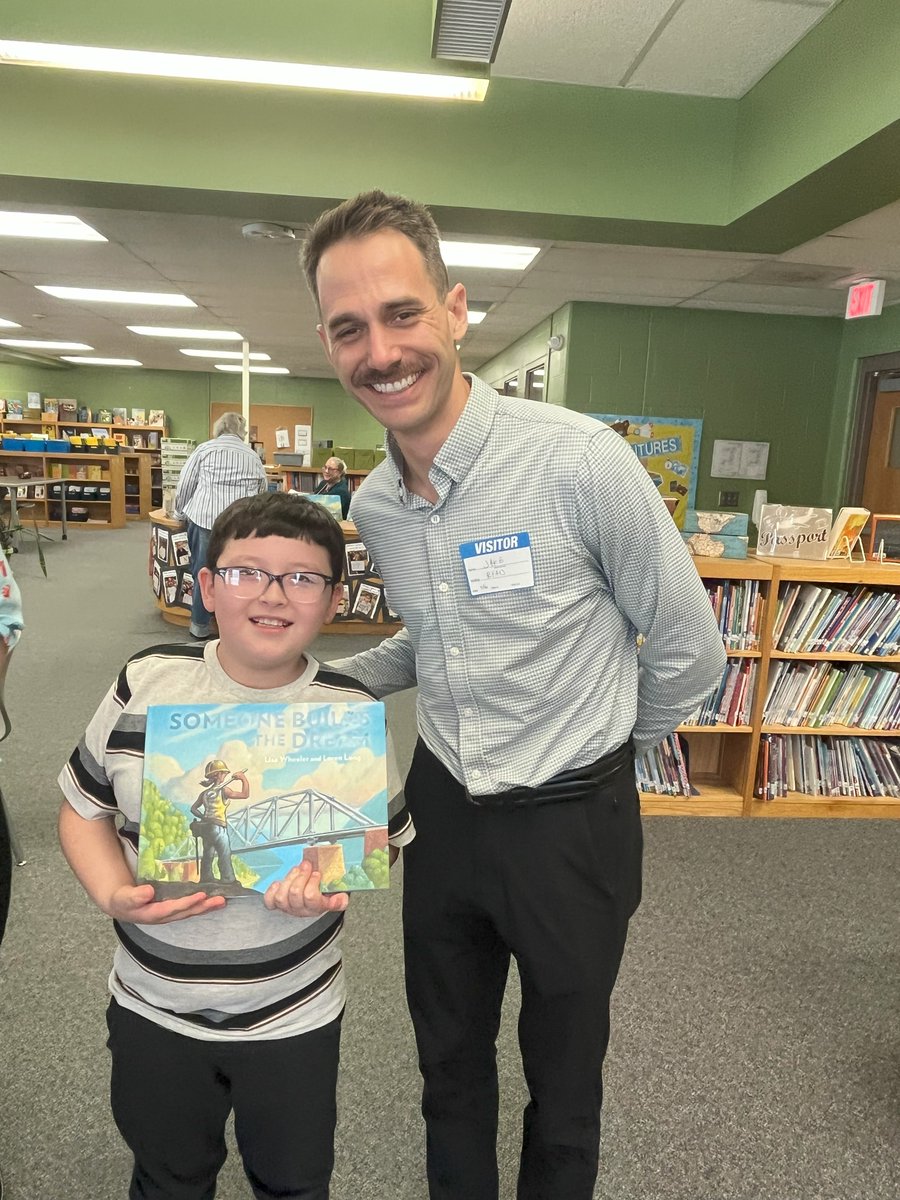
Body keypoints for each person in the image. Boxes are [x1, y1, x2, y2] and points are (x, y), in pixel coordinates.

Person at [301, 190, 727, 1200]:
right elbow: (437, 634)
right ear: (329, 343)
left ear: (453, 310)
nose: (382, 350)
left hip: (572, 827)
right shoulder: (373, 502)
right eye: (349, 328)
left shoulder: (581, 463)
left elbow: (689, 651)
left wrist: (607, 754)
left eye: (402, 314)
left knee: (563, 1085)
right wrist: (307, 686)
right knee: (446, 1070)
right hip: (442, 815)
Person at [57, 491, 413, 1200]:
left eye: (303, 578)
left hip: (295, 1009)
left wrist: (324, 874)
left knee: (294, 1182)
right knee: (167, 1178)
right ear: (207, 586)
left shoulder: (350, 711)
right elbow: (82, 808)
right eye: (247, 572)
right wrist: (110, 892)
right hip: (152, 1002)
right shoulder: (147, 682)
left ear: (334, 598)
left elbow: (383, 843)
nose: (274, 595)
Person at [174, 411, 268, 639]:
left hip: (204, 519)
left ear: (218, 429)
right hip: (238, 525)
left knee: (203, 573)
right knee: (235, 574)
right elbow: (262, 491)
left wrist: (178, 513)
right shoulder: (252, 456)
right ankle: (234, 627)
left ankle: (199, 626)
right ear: (241, 432)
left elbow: (185, 484)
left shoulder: (205, 449)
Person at [189, 758, 249, 887]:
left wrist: (203, 818)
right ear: (218, 775)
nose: (225, 776)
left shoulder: (204, 793)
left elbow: (193, 809)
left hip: (206, 827)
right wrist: (243, 778)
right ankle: (228, 879)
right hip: (218, 826)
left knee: (208, 853)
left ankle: (206, 877)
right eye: (224, 773)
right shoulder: (223, 790)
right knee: (224, 853)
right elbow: (245, 795)